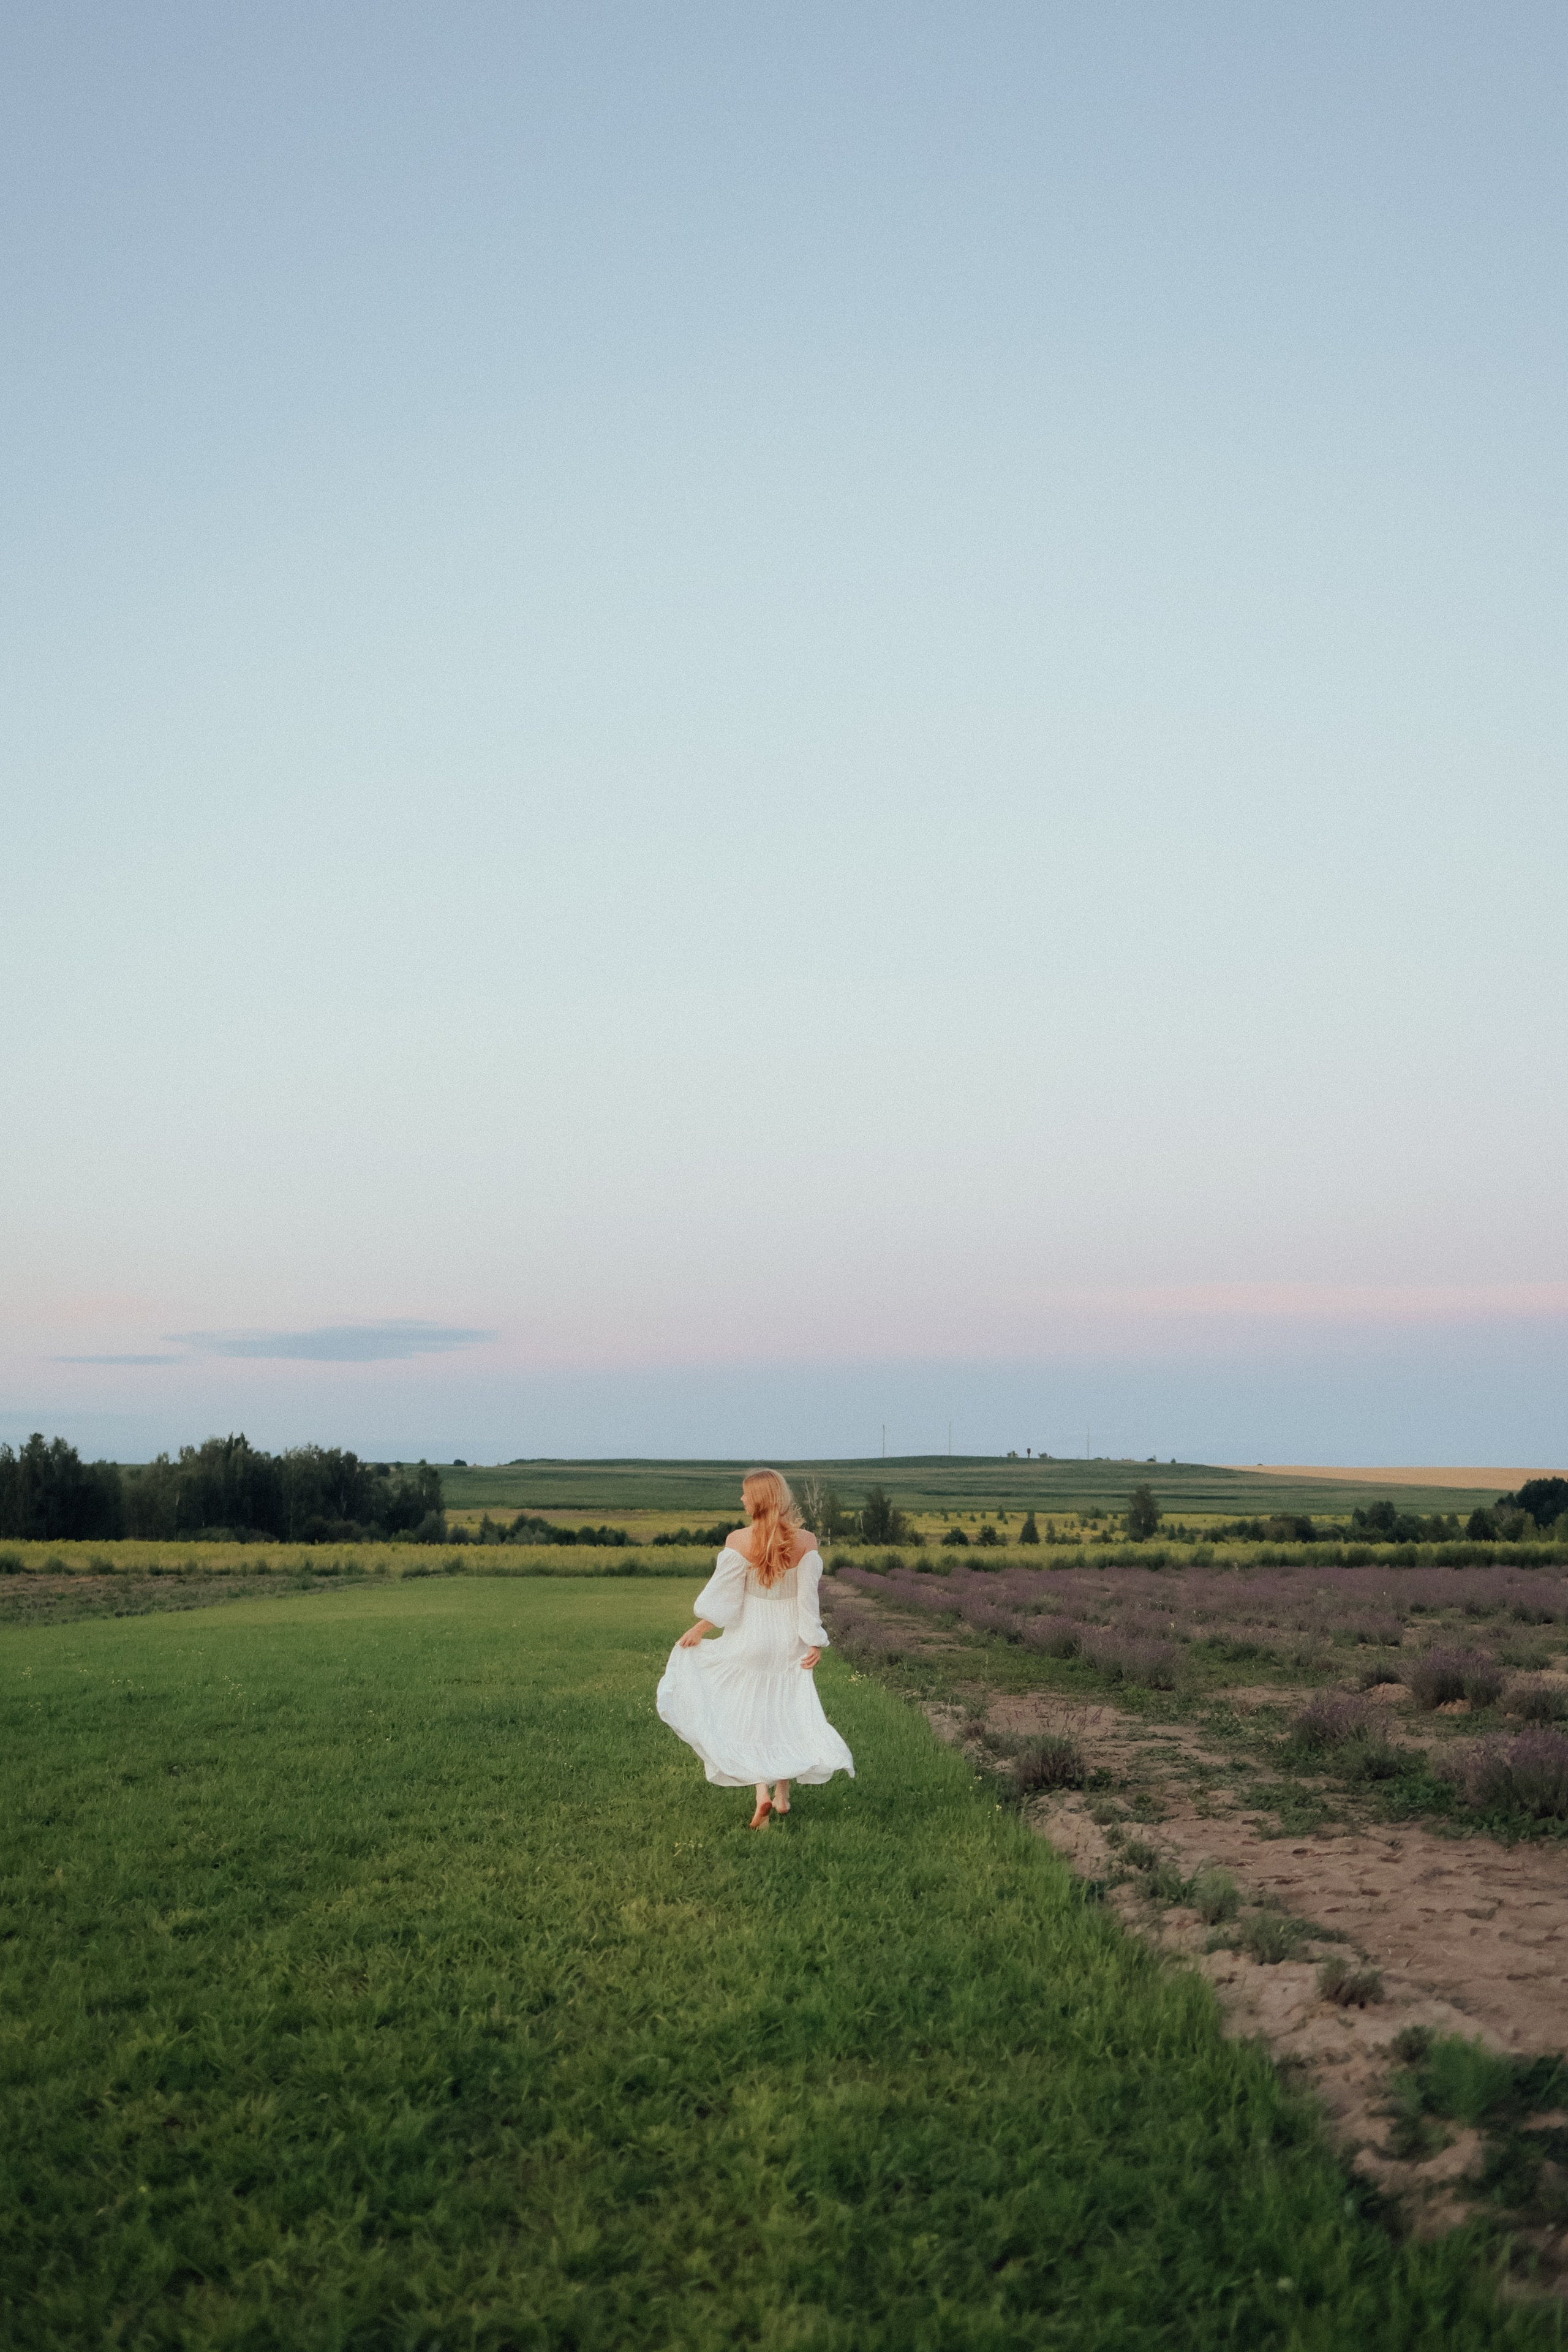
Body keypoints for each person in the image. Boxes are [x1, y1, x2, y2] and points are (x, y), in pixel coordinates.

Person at [656, 1466, 854, 1827]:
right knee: (786, 1712)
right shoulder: (807, 1542)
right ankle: (782, 1796)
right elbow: (808, 1601)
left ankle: (762, 1794)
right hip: (789, 1641)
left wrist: (701, 1628)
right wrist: (815, 1640)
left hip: (750, 1637)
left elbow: (726, 1601)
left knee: (749, 1717)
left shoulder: (738, 1541)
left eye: (746, 1494)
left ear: (760, 1500)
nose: (742, 1499)